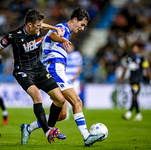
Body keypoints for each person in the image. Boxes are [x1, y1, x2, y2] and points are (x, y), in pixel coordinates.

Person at [0, 9, 66, 144]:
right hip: (23, 71)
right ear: (29, 25)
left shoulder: (38, 27)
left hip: (39, 69)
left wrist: (55, 28)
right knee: (37, 96)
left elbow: (43, 25)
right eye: (38, 25)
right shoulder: (14, 36)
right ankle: (48, 132)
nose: (40, 28)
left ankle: (41, 128)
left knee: (60, 100)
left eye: (41, 25)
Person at [21, 7, 105, 147]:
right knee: (77, 101)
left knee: (62, 115)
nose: (82, 28)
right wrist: (62, 40)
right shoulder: (62, 28)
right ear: (74, 20)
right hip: (54, 69)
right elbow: (52, 35)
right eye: (82, 25)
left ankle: (28, 128)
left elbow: (44, 39)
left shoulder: (66, 32)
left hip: (54, 70)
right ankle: (86, 137)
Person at [119, 43, 151, 121]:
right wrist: (121, 78)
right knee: (134, 96)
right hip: (132, 80)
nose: (134, 49)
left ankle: (130, 112)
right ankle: (138, 114)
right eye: (133, 48)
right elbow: (125, 68)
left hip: (138, 80)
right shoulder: (129, 58)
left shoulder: (142, 58)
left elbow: (147, 69)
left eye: (136, 48)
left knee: (134, 95)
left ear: (138, 49)